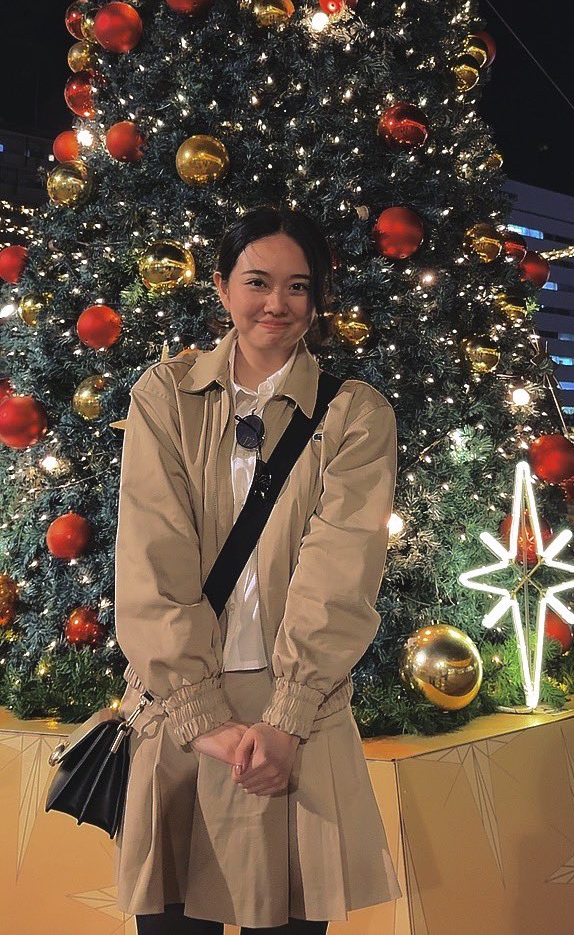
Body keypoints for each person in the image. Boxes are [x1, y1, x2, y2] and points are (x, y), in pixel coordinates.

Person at [113, 203, 402, 934]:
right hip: (181, 714)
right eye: (257, 281)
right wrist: (200, 716)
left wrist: (286, 719)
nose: (278, 303)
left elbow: (342, 570)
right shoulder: (166, 395)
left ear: (318, 296)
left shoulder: (355, 414)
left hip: (295, 719)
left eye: (298, 286)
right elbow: (151, 555)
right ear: (221, 286)